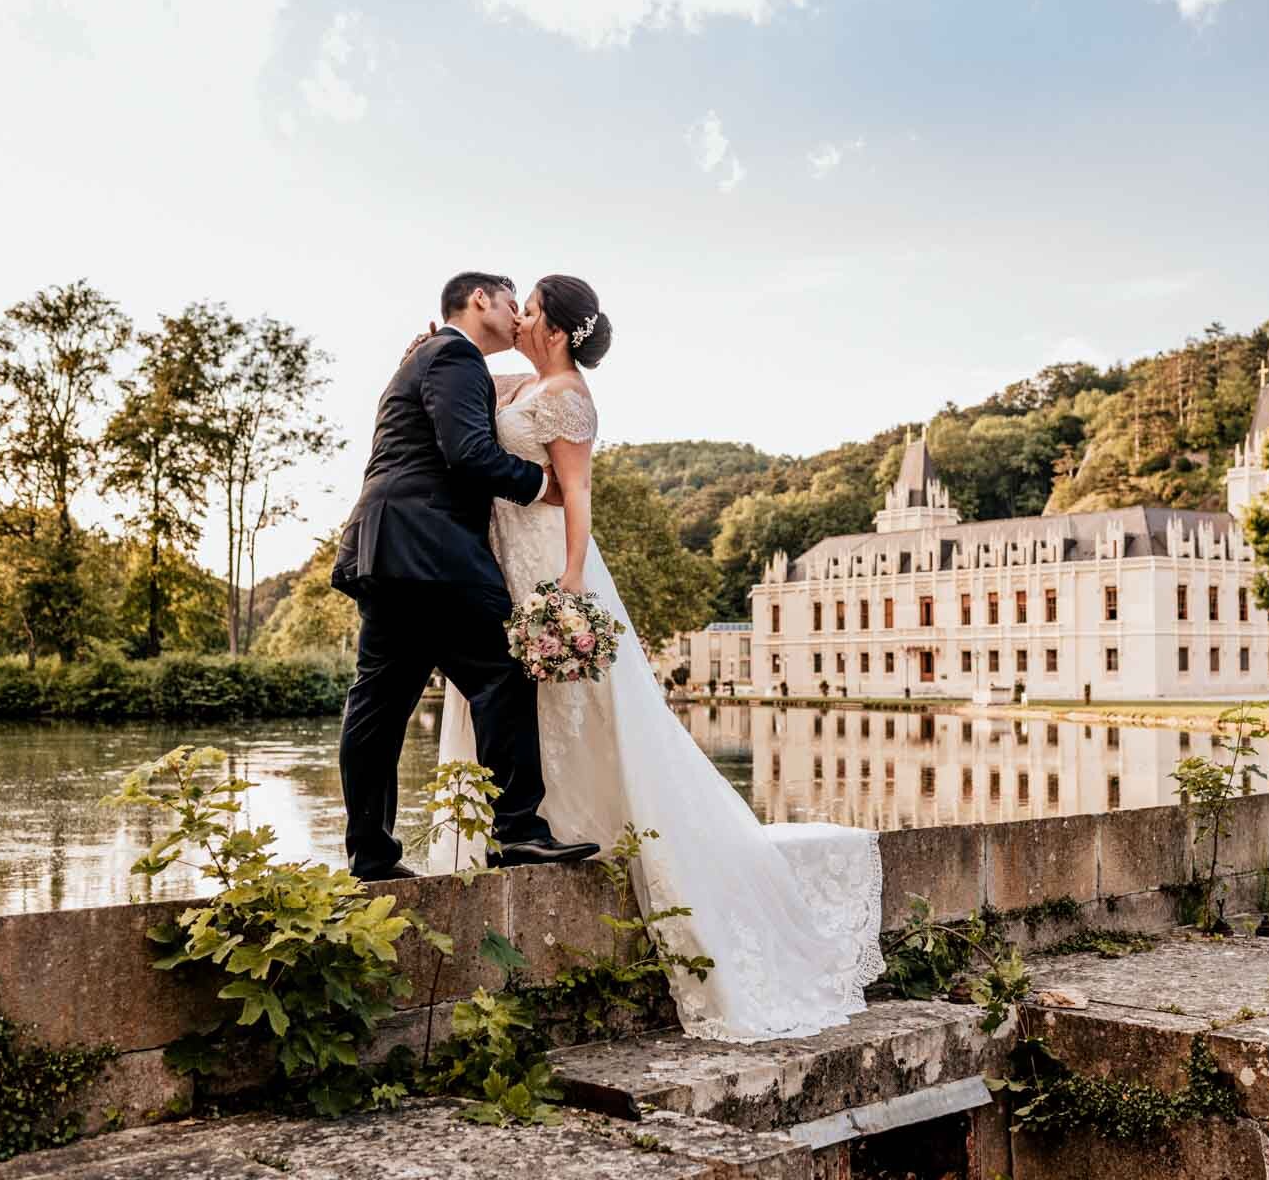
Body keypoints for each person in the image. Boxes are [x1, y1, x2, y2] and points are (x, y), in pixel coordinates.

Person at [432, 273, 884, 1043]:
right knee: (509, 699)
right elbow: (486, 378)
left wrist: (571, 580)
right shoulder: (527, 384)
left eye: (534, 309)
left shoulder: (569, 397)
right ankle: (507, 828)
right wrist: (434, 348)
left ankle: (589, 828)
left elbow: (577, 493)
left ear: (563, 329)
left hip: (547, 560)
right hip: (499, 561)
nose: (525, 318)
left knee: (577, 705)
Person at [330, 271, 601, 880]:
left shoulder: (443, 357)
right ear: (480, 299)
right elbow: (467, 453)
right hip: (434, 549)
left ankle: (370, 857)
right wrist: (541, 485)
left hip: (390, 548)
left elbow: (522, 398)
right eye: (512, 303)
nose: (517, 317)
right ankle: (519, 833)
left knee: (379, 703)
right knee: (503, 674)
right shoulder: (453, 354)